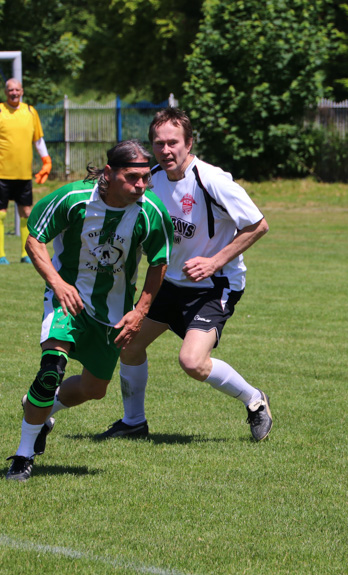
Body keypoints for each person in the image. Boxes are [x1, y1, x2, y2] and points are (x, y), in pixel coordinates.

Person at [98, 107, 273, 442]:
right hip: (169, 283)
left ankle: (254, 400)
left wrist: (213, 261)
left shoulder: (212, 181)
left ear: (188, 143)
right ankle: (133, 422)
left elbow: (258, 225)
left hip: (213, 285)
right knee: (129, 345)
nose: (165, 150)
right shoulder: (150, 180)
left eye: (173, 142)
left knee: (192, 361)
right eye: (159, 143)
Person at [5, 140, 173, 482]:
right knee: (51, 369)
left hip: (113, 312)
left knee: (95, 389)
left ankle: (40, 409)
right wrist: (57, 283)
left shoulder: (151, 211)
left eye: (146, 178)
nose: (141, 185)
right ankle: (23, 456)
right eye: (132, 177)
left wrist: (140, 311)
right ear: (109, 173)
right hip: (67, 300)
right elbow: (34, 240)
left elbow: (159, 262)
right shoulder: (73, 199)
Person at [0, 78, 52, 265]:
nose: (14, 93)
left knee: (27, 213)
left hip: (23, 174)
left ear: (22, 91)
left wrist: (46, 161)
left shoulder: (30, 111)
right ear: (6, 92)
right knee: (0, 213)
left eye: (17, 89)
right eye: (11, 90)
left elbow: (38, 140)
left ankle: (26, 254)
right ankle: (1, 255)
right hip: (1, 174)